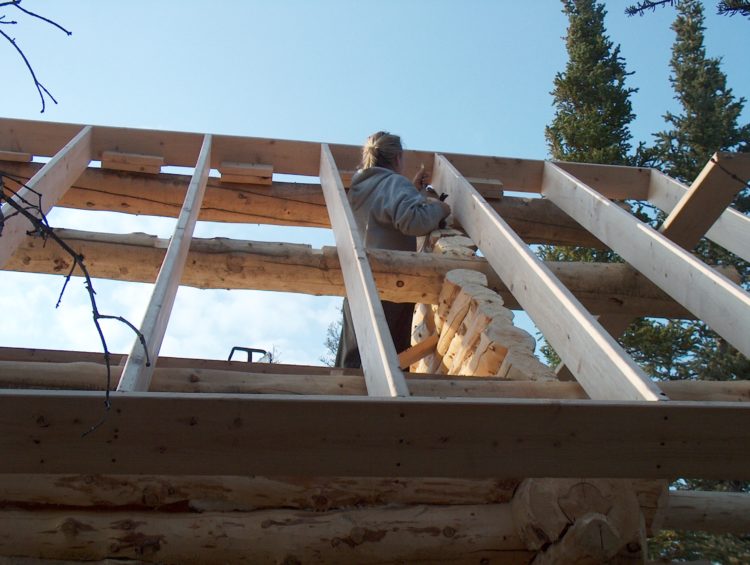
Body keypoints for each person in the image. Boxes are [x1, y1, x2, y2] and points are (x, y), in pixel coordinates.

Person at [335, 131, 451, 368]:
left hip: (358, 284)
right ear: (398, 157)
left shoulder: (357, 190)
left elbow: (382, 215)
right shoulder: (393, 183)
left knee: (354, 364)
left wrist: (412, 192)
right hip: (390, 286)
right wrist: (440, 209)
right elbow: (413, 222)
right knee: (391, 366)